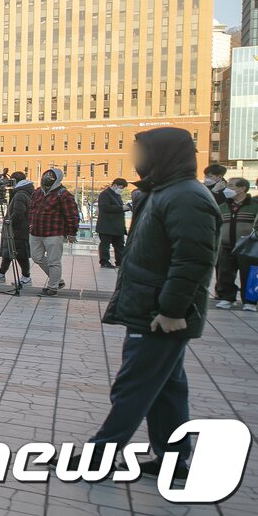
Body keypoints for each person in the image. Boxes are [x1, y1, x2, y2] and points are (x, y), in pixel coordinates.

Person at [81, 127, 218, 482]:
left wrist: (172, 310)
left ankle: (100, 455)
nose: (135, 160)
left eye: (141, 152)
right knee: (167, 388)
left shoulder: (187, 197)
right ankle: (174, 460)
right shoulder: (163, 193)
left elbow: (193, 261)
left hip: (161, 314)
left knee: (134, 385)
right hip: (150, 308)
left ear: (163, 155)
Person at [28, 167, 79, 297]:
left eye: (51, 176)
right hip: (36, 231)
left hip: (54, 233)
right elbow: (32, 209)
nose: (47, 178)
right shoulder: (38, 192)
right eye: (46, 175)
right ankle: (58, 280)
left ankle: (52, 288)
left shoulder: (64, 194)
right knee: (36, 257)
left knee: (53, 261)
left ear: (57, 179)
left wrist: (72, 232)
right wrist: (30, 223)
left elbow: (71, 215)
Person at [215, 177, 258, 311]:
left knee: (249, 274)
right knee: (225, 273)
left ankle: (249, 301)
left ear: (242, 188)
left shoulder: (254, 206)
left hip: (248, 247)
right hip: (226, 245)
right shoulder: (223, 207)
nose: (228, 189)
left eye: (232, 186)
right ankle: (227, 298)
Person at [0, 173, 33, 285]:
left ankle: (26, 277)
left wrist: (9, 222)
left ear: (15, 180)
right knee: (8, 252)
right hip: (17, 229)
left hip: (17, 229)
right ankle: (1, 274)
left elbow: (18, 212)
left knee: (20, 254)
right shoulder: (24, 192)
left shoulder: (20, 195)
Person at [95, 178, 130, 269]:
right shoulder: (105, 194)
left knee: (119, 245)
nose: (121, 190)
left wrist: (125, 207)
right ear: (115, 185)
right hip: (107, 225)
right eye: (120, 187)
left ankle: (120, 262)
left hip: (117, 226)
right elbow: (105, 207)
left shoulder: (117, 195)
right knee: (105, 245)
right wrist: (122, 208)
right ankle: (104, 262)